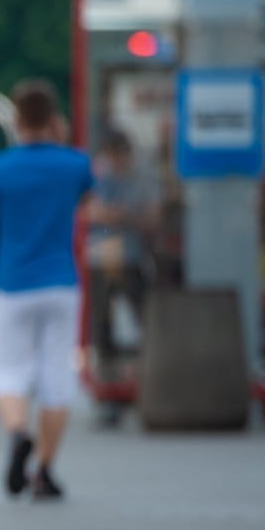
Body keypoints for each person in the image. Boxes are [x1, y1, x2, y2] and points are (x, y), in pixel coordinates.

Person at [0, 80, 94, 499]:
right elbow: (91, 210)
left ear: (17, 120)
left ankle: (18, 432)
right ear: (54, 118)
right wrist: (62, 139)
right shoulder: (75, 164)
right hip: (61, 284)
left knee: (6, 372)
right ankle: (45, 470)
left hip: (13, 284)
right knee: (56, 378)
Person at [84, 131, 159, 414]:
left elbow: (151, 217)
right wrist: (121, 214)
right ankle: (109, 390)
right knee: (103, 322)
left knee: (142, 319)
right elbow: (88, 211)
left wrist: (113, 214)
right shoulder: (97, 175)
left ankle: (144, 381)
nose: (115, 162)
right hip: (101, 257)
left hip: (132, 257)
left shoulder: (142, 177)